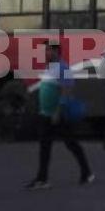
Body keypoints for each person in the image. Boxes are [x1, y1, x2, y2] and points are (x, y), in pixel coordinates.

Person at [25, 43, 93, 190]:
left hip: (57, 115)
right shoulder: (49, 67)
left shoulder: (64, 67)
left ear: (56, 51)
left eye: (48, 50)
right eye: (45, 51)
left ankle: (86, 172)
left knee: (71, 143)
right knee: (45, 147)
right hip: (45, 114)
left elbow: (67, 90)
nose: (45, 53)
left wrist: (58, 110)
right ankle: (42, 178)